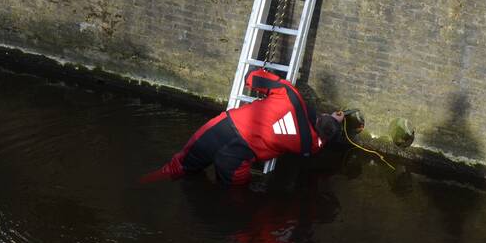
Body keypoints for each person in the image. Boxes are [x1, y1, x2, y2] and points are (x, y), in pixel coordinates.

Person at [139, 69, 344, 186]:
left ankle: (143, 183)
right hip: (239, 157)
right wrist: (334, 124)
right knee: (231, 196)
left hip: (223, 129)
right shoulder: (309, 145)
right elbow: (320, 141)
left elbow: (251, 78)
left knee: (178, 167)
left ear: (322, 115)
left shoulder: (290, 95)